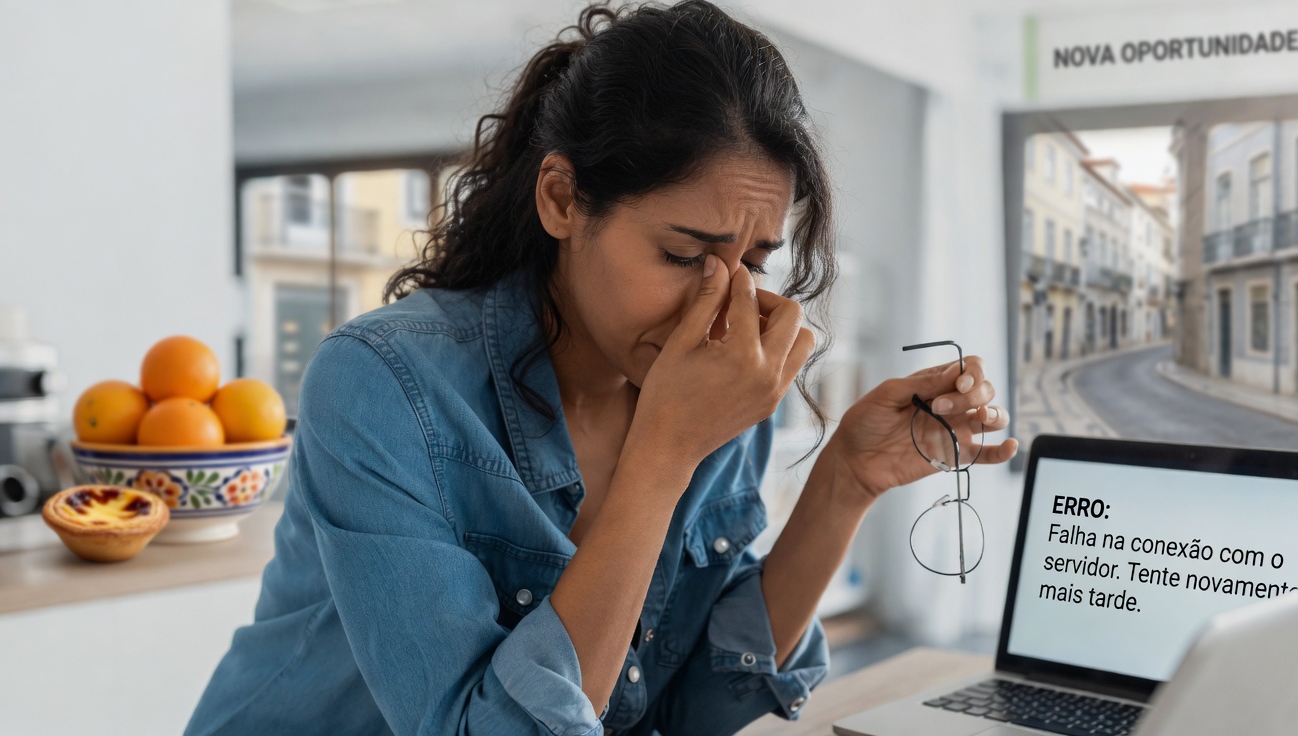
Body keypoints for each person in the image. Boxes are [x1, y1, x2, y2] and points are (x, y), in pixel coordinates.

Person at [186, 2, 1016, 734]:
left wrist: (844, 484)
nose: (722, 308)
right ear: (561, 199)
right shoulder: (383, 383)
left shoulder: (714, 384)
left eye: (754, 263)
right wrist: (664, 455)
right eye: (683, 254)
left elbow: (683, 711)